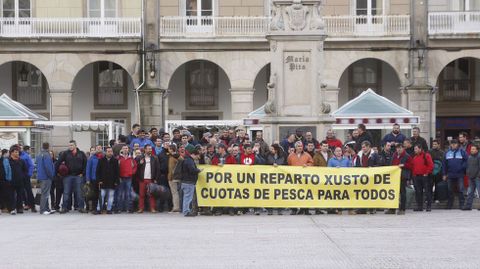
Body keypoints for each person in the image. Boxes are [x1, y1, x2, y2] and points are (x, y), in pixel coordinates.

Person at [56, 140, 87, 214]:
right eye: (69, 145)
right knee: (66, 192)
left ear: (75, 145)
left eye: (72, 145)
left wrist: (83, 173)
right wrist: (58, 173)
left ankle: (81, 207)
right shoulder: (65, 153)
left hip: (78, 176)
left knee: (79, 193)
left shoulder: (81, 153)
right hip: (68, 176)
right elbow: (58, 163)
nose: (70, 147)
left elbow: (86, 164)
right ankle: (64, 208)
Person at [354, 141, 382, 214]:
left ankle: (372, 208)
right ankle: (362, 208)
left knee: (371, 192)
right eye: (362, 147)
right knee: (362, 192)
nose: (363, 149)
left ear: (368, 147)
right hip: (362, 176)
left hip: (371, 177)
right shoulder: (359, 155)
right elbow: (357, 165)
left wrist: (372, 167)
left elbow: (379, 164)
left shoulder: (374, 155)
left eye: (364, 147)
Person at [287, 141, 313, 215]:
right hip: (294, 178)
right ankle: (294, 209)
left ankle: (305, 209)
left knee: (305, 193)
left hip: (304, 178)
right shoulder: (291, 156)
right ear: (295, 147)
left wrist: (307, 165)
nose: (300, 148)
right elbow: (288, 165)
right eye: (298, 146)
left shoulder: (307, 155)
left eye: (301, 146)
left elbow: (311, 163)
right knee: (293, 194)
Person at [443, 139, 468, 209]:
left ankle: (462, 204)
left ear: (457, 144)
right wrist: (444, 174)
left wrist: (462, 167)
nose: (453, 145)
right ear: (450, 144)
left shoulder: (462, 152)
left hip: (460, 174)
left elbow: (466, 161)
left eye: (455, 143)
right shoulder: (447, 153)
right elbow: (444, 164)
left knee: (461, 190)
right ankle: (450, 204)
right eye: (452, 144)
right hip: (450, 174)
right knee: (450, 190)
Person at [389, 143, 413, 215]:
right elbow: (392, 164)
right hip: (395, 176)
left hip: (403, 176)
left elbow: (411, 166)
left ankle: (402, 209)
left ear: (403, 148)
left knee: (402, 192)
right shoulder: (394, 155)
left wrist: (404, 165)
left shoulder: (407, 156)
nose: (398, 149)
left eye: (400, 148)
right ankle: (392, 209)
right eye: (397, 148)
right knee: (393, 192)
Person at [136, 145, 160, 213]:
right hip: (142, 179)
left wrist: (156, 179)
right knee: (141, 195)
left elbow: (157, 169)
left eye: (150, 149)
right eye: (148, 149)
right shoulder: (140, 157)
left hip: (151, 179)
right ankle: (141, 208)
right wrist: (140, 164)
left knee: (151, 194)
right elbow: (136, 168)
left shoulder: (155, 158)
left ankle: (152, 208)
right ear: (145, 150)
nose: (150, 150)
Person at [95, 147, 119, 214]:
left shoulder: (115, 161)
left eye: (111, 151)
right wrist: (99, 180)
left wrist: (116, 181)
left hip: (112, 181)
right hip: (103, 181)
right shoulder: (101, 160)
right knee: (102, 195)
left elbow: (117, 172)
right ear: (105, 152)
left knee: (111, 196)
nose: (110, 153)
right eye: (108, 151)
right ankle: (99, 209)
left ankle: (109, 209)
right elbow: (98, 171)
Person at [412, 144, 434, 211]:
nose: (414, 150)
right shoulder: (415, 157)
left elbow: (431, 165)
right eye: (414, 149)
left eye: (416, 149)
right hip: (417, 176)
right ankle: (420, 206)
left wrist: (426, 173)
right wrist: (414, 175)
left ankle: (429, 206)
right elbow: (413, 167)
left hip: (425, 176)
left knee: (427, 191)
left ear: (420, 149)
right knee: (418, 192)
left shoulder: (426, 155)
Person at [180, 149, 202, 217]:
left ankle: (186, 210)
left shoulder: (186, 159)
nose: (197, 157)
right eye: (197, 155)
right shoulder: (189, 161)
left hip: (185, 182)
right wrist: (198, 170)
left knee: (186, 197)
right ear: (194, 154)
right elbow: (192, 170)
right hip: (189, 182)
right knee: (188, 198)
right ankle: (186, 212)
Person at [35, 142, 55, 215]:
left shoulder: (39, 154)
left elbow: (37, 164)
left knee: (44, 193)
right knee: (45, 194)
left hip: (40, 176)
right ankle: (43, 210)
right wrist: (51, 176)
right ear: (48, 147)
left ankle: (47, 208)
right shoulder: (47, 155)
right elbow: (48, 167)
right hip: (46, 177)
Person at [118, 145, 137, 213]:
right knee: (120, 193)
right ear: (122, 150)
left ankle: (128, 208)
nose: (125, 149)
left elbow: (135, 167)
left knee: (128, 193)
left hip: (129, 177)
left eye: (126, 148)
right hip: (121, 177)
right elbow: (116, 168)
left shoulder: (131, 158)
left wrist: (132, 173)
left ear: (128, 149)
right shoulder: (119, 158)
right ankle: (120, 208)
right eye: (124, 148)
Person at [9, 146, 28, 214]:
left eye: (18, 152)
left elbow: (25, 170)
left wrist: (23, 176)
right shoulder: (8, 160)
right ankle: (12, 209)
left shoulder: (21, 161)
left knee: (20, 195)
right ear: (11, 153)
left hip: (20, 181)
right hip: (11, 181)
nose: (17, 153)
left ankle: (19, 208)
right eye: (16, 152)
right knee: (11, 196)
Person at [85, 145, 103, 212]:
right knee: (94, 194)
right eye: (97, 148)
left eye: (100, 148)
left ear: (101, 149)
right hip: (94, 178)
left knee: (102, 195)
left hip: (102, 179)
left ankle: (102, 208)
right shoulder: (92, 158)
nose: (98, 149)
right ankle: (94, 208)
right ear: (95, 150)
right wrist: (88, 179)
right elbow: (88, 169)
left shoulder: (104, 157)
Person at [463, 144, 480, 210]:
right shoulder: (469, 157)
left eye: (473, 149)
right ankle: (468, 206)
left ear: (477, 150)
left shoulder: (479, 156)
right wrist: (468, 173)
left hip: (477, 178)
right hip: (470, 177)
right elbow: (468, 166)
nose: (471, 150)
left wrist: (478, 176)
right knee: (470, 192)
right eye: (471, 149)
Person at [20, 145, 35, 212]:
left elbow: (31, 165)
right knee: (23, 191)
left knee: (27, 191)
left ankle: (31, 205)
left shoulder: (25, 156)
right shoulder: (24, 156)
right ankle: (27, 205)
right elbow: (31, 165)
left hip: (25, 176)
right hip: (21, 176)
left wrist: (29, 174)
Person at [167, 144, 181, 213]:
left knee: (175, 192)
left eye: (169, 149)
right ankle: (176, 207)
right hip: (172, 176)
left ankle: (176, 207)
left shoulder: (175, 156)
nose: (168, 150)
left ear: (171, 149)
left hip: (174, 177)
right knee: (175, 192)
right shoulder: (171, 156)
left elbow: (181, 161)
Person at [0, 149, 13, 214]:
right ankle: (2, 208)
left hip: (6, 180)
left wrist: (9, 179)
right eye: (8, 153)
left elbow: (8, 170)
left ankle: (10, 209)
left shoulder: (6, 160)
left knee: (8, 194)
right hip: (1, 180)